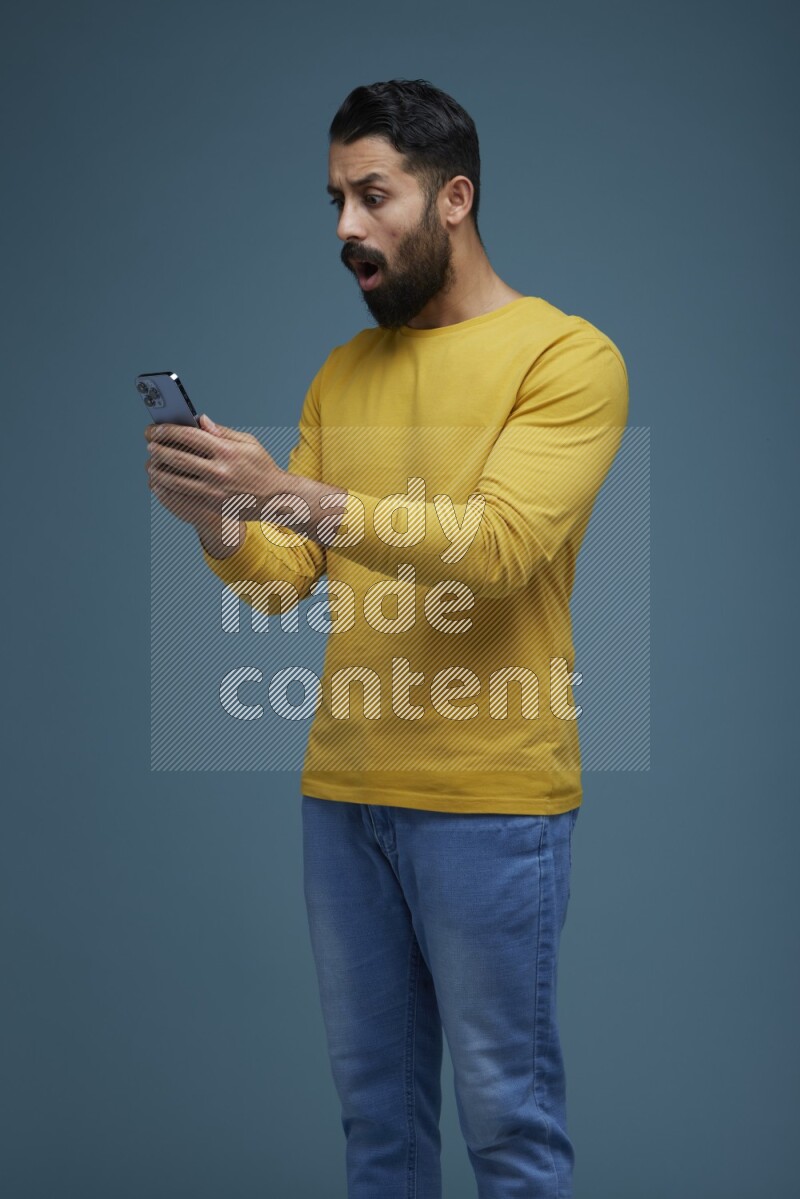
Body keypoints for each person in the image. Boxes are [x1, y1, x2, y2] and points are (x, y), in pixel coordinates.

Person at [146, 78, 628, 1199]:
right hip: (344, 796)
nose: (345, 230)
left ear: (452, 197)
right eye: (333, 200)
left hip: (491, 799)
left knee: (508, 1122)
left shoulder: (566, 357)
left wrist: (292, 492)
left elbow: (498, 547)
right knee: (377, 1132)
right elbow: (285, 587)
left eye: (372, 196)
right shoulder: (343, 370)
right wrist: (222, 517)